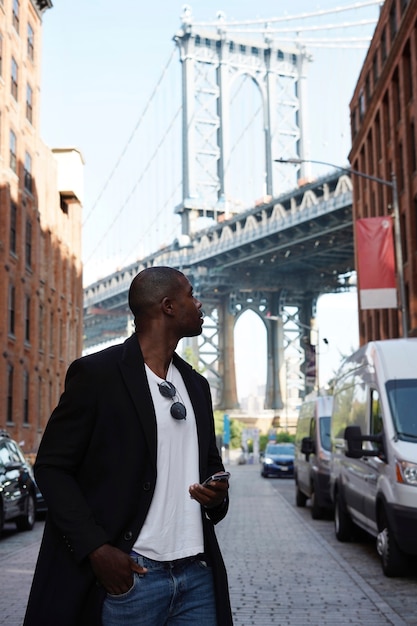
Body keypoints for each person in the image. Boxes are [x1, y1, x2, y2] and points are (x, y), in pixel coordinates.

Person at [24, 266, 232, 626]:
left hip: (196, 575)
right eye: (190, 295)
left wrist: (217, 492)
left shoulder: (197, 386)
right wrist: (96, 549)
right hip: (133, 577)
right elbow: (52, 467)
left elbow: (210, 464)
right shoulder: (96, 375)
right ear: (167, 306)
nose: (200, 304)